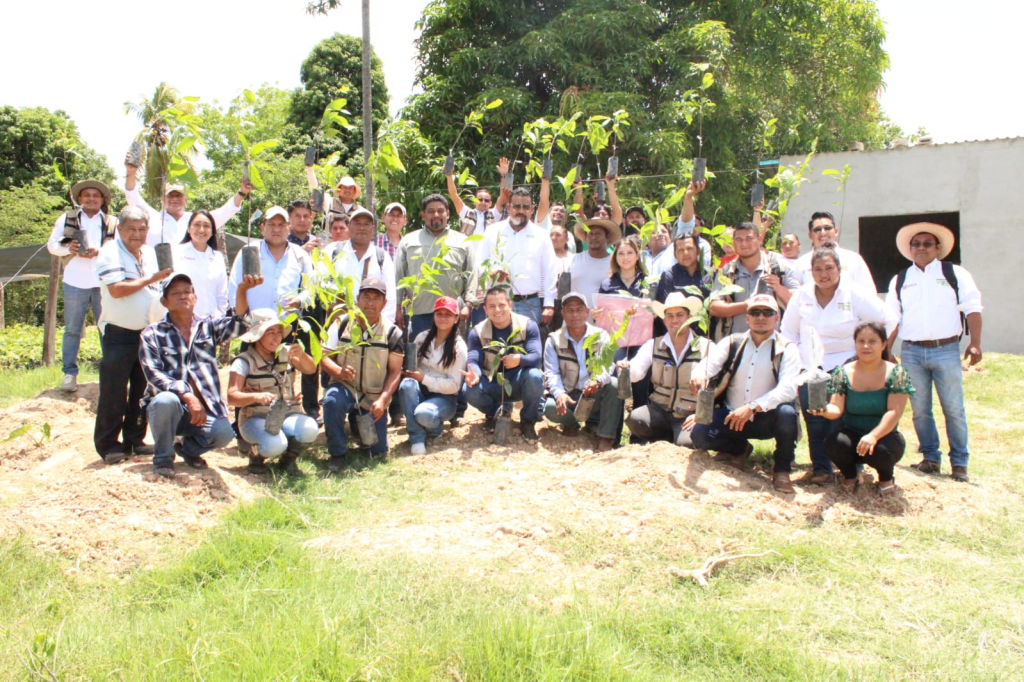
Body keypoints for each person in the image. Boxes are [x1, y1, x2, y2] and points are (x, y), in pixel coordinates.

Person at [780, 246, 898, 483]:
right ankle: (821, 469)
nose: (824, 274)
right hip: (810, 366)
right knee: (814, 417)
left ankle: (851, 469)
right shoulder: (802, 296)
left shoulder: (854, 293)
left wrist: (873, 354)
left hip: (846, 364)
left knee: (840, 419)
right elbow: (788, 332)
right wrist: (796, 364)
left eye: (829, 268)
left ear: (839, 269)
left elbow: (889, 318)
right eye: (818, 269)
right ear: (810, 272)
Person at [884, 222, 983, 483]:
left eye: (927, 243)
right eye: (916, 244)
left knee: (953, 408)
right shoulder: (901, 280)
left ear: (938, 248)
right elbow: (893, 317)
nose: (921, 248)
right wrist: (887, 349)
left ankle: (959, 463)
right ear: (910, 248)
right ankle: (930, 458)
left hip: (947, 349)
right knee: (920, 409)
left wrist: (976, 342)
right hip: (912, 352)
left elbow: (972, 307)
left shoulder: (955, 274)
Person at [140, 274, 252, 477]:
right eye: (175, 293)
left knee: (223, 434)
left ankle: (187, 449)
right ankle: (163, 459)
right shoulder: (152, 334)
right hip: (172, 407)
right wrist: (186, 394)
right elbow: (153, 374)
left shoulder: (208, 327)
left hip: (204, 408)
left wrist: (242, 290)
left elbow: (241, 324)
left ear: (195, 297)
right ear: (164, 302)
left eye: (187, 291)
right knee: (164, 400)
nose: (182, 296)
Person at [690, 295, 801, 493]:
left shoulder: (787, 349)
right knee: (699, 435)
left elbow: (788, 388)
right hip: (731, 414)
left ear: (777, 318)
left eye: (768, 313)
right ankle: (740, 449)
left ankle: (782, 470)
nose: (761, 317)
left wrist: (753, 407)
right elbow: (708, 365)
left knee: (787, 414)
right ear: (747, 318)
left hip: (766, 417)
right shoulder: (732, 342)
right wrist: (698, 376)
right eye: (755, 312)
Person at [93, 206, 171, 463]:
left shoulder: (149, 253)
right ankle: (108, 446)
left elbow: (161, 285)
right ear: (121, 230)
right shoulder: (110, 252)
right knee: (114, 391)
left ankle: (135, 439)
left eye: (142, 229)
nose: (137, 234)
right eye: (131, 229)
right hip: (119, 333)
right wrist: (151, 279)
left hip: (147, 333)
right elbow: (116, 289)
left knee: (141, 389)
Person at [809, 321, 914, 496]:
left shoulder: (897, 373)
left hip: (885, 437)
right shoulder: (843, 372)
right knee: (834, 443)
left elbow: (894, 412)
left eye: (872, 341)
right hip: (853, 435)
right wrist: (824, 410)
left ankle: (886, 478)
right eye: (861, 341)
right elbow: (836, 407)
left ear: (884, 345)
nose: (866, 346)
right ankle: (851, 476)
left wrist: (873, 436)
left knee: (880, 451)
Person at [321, 277, 405, 472]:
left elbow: (395, 372)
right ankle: (338, 453)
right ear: (357, 299)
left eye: (377, 298)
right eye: (366, 297)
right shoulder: (341, 324)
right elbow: (322, 357)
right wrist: (338, 372)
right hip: (345, 387)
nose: (370, 302)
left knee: (377, 452)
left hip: (373, 396)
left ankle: (359, 427)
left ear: (384, 303)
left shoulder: (393, 333)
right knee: (332, 401)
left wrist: (383, 400)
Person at [227, 309, 319, 476]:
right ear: (257, 336)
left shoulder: (287, 353)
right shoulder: (243, 361)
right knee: (275, 444)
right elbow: (232, 397)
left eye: (278, 332)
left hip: (288, 414)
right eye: (270, 332)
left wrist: (303, 355)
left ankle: (287, 461)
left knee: (310, 428)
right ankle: (255, 455)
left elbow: (310, 369)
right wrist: (255, 397)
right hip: (255, 418)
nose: (276, 337)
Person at [46, 179, 118, 392]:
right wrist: (71, 248)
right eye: (86, 195)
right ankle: (69, 373)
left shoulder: (112, 222)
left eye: (96, 196)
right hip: (75, 280)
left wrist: (100, 252)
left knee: (107, 328)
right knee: (72, 329)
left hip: (103, 282)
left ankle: (110, 374)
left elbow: (120, 248)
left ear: (102, 199)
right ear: (79, 199)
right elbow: (52, 246)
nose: (91, 199)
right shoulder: (67, 218)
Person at [623, 293, 708, 446]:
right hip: (660, 411)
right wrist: (627, 368)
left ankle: (681, 439)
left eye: (680, 315)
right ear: (664, 320)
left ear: (690, 317)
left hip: (688, 413)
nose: (675, 320)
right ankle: (668, 441)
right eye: (670, 316)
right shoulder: (653, 345)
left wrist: (699, 414)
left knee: (687, 444)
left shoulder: (706, 347)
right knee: (636, 419)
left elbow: (718, 386)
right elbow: (636, 375)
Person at [463, 287, 545, 443]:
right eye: (492, 307)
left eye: (501, 305)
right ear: (485, 309)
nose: (497, 310)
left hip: (518, 381)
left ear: (510, 305)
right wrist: (475, 373)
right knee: (470, 390)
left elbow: (536, 357)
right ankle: (495, 412)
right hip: (492, 380)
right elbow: (473, 358)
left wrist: (519, 359)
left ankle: (528, 421)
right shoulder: (478, 332)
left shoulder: (527, 325)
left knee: (535, 375)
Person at [542, 292, 622, 450]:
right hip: (569, 393)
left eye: (579, 310)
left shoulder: (601, 336)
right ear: (562, 313)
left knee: (613, 384)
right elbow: (551, 372)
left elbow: (608, 365)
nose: (575, 315)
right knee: (549, 408)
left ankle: (605, 436)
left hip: (593, 391)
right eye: (570, 310)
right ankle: (572, 424)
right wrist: (559, 393)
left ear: (587, 311)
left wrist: (597, 381)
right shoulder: (554, 339)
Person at [394, 194, 477, 339]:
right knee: (417, 358)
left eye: (440, 210)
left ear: (448, 213)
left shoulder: (462, 241)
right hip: (419, 312)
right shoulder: (409, 241)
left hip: (452, 313)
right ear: (423, 215)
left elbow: (472, 273)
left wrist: (468, 305)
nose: (436, 215)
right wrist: (397, 308)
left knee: (452, 357)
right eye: (431, 211)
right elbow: (398, 276)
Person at [124, 156, 251, 246]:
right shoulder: (151, 217)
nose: (174, 199)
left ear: (185, 199)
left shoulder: (195, 221)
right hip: (155, 279)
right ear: (163, 198)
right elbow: (132, 196)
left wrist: (242, 192)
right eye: (170, 195)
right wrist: (131, 172)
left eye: (178, 195)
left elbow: (225, 211)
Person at [477, 188, 557, 327]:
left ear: (532, 209)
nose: (521, 210)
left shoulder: (541, 235)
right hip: (497, 304)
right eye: (516, 206)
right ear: (508, 207)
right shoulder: (492, 231)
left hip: (529, 303)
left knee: (527, 347)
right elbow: (479, 262)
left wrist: (549, 304)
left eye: (526, 207)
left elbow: (550, 271)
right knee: (496, 347)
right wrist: (490, 273)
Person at [397, 296, 468, 455]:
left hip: (444, 398)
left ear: (456, 318)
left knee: (424, 414)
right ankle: (417, 438)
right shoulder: (422, 337)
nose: (443, 318)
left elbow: (454, 385)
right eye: (439, 314)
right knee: (406, 385)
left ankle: (435, 429)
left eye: (448, 314)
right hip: (420, 391)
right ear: (433, 315)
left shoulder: (459, 347)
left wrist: (424, 378)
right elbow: (412, 367)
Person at [709, 222, 798, 341]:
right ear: (734, 243)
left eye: (749, 238)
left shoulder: (779, 267)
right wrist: (746, 306)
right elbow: (714, 307)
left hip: (774, 345)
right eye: (739, 240)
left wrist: (779, 288)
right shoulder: (726, 272)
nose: (744, 243)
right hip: (736, 346)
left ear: (760, 239)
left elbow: (798, 304)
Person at [228, 206, 313, 315]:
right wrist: (239, 318)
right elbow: (234, 288)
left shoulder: (300, 256)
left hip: (286, 326)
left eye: (281, 225)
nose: (276, 229)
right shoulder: (249, 252)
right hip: (252, 327)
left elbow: (311, 290)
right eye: (271, 224)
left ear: (289, 227)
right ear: (263, 228)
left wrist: (300, 300)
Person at [329, 208, 397, 323]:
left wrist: (385, 327)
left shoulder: (382, 257)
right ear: (349, 227)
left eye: (366, 224)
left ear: (373, 228)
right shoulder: (333, 251)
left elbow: (389, 296)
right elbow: (319, 285)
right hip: (337, 323)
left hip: (371, 324)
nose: (362, 228)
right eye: (357, 223)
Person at [791, 211, 875, 292]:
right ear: (810, 235)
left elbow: (869, 292)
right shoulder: (800, 264)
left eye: (827, 228)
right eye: (817, 230)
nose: (823, 233)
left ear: (836, 231)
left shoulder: (853, 259)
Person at [172, 211, 228, 318]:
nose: (201, 230)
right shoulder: (176, 252)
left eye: (206, 226)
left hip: (212, 322)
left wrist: (220, 316)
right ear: (188, 229)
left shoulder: (217, 257)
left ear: (212, 232)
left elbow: (222, 294)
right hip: (183, 320)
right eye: (197, 225)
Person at [447, 158, 508, 240]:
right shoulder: (466, 213)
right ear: (474, 201)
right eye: (480, 199)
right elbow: (453, 195)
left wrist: (503, 176)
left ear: (490, 203)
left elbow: (503, 197)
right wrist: (449, 176)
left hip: (488, 252)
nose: (483, 202)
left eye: (486, 200)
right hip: (468, 252)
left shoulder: (494, 214)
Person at [570, 218, 620, 306]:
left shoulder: (615, 263)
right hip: (576, 318)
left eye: (598, 233)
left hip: (604, 317)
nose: (593, 237)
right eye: (590, 233)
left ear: (607, 236)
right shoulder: (573, 259)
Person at [655, 234, 711, 304]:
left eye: (689, 249)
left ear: (698, 251)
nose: (685, 253)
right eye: (681, 250)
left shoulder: (710, 274)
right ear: (675, 255)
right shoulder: (669, 276)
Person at [673, 180, 713, 271]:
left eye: (696, 226)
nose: (693, 228)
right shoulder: (678, 241)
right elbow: (686, 224)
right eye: (692, 225)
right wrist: (688, 196)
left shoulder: (704, 245)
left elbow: (704, 266)